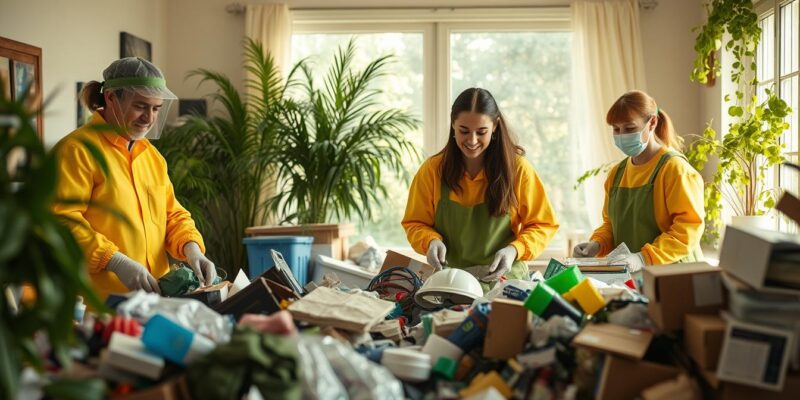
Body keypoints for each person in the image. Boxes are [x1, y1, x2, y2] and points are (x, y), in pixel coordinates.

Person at [52, 57, 216, 300]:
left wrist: (191, 247)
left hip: (152, 301)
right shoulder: (76, 151)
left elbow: (171, 214)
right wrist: (113, 260)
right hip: (98, 304)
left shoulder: (151, 156)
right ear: (110, 98)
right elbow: (61, 221)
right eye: (141, 106)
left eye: (156, 108)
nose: (149, 118)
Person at [402, 88, 559, 291]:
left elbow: (543, 225)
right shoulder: (432, 170)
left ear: (495, 126)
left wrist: (514, 250)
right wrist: (430, 241)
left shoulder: (519, 170)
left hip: (503, 282)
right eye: (464, 131)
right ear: (453, 125)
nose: (472, 140)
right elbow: (415, 222)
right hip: (452, 283)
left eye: (481, 132)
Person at [573, 90, 704, 272]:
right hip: (637, 276)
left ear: (652, 123)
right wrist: (597, 244)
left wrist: (644, 258)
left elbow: (687, 229)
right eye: (616, 129)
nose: (621, 135)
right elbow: (611, 225)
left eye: (629, 128)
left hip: (675, 275)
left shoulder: (674, 169)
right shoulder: (616, 174)